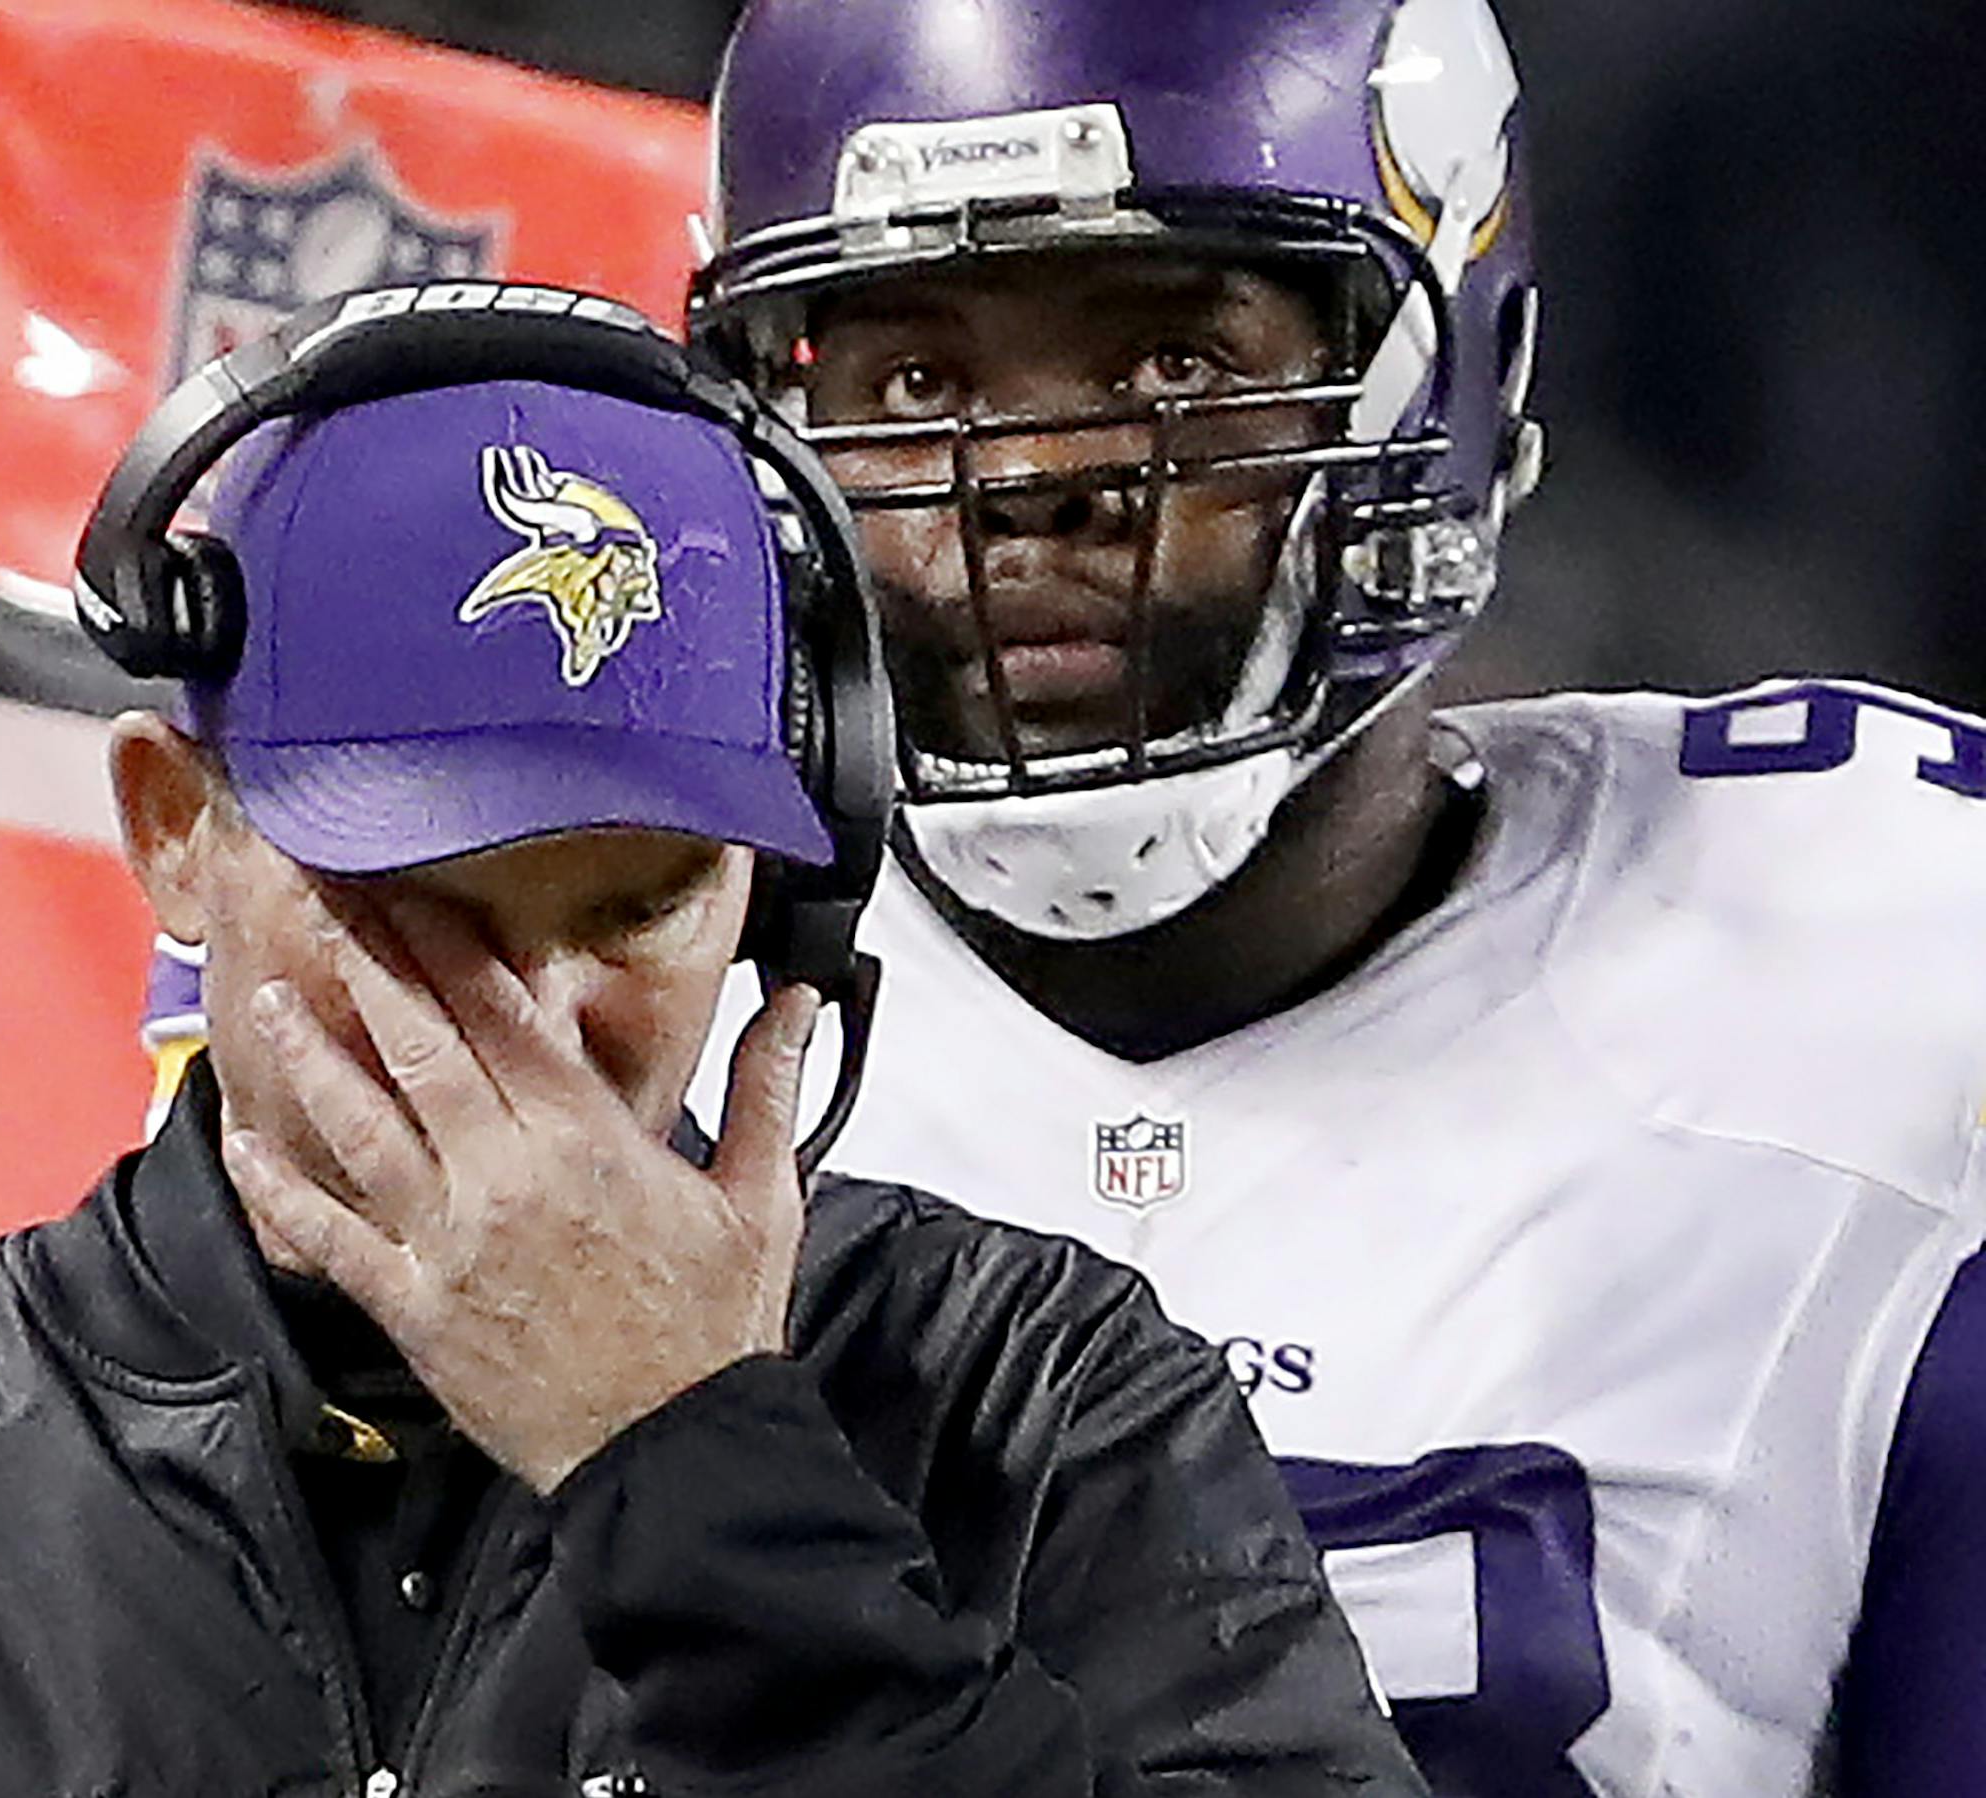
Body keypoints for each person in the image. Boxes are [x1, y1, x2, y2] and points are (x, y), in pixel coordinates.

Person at [0, 289, 1428, 1796]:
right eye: (417, 903)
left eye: (641, 903)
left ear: (782, 891)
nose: (535, 1007)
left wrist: (700, 1483)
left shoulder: (1036, 1396)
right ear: (175, 828)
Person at [679, 0, 1986, 1793]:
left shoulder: (1873, 966)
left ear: (1454, 373)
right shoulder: (598, 989)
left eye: (1171, 366)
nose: (1039, 482)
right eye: (916, 381)